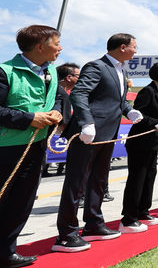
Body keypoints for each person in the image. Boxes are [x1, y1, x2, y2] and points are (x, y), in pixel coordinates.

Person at [0, 25, 63, 267]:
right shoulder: (1, 72)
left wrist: (57, 113)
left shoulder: (51, 72)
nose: (60, 48)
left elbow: (60, 99)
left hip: (34, 149)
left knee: (21, 204)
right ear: (40, 47)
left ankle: (4, 252)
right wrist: (30, 118)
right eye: (56, 43)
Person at [54, 33, 144, 252]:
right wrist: (86, 122)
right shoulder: (96, 66)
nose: (136, 50)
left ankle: (93, 224)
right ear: (122, 47)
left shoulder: (121, 70)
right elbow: (80, 93)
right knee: (77, 183)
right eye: (134, 47)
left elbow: (118, 101)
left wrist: (129, 111)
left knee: (99, 180)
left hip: (108, 133)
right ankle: (67, 234)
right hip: (89, 133)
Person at [120, 61, 158, 234]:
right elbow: (139, 115)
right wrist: (155, 123)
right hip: (140, 142)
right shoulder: (147, 91)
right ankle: (129, 218)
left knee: (149, 177)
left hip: (152, 142)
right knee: (137, 179)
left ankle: (143, 211)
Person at [43, 63, 80, 177]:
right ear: (69, 77)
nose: (81, 79)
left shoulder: (63, 91)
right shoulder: (55, 90)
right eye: (79, 76)